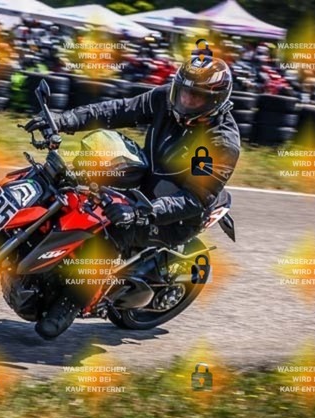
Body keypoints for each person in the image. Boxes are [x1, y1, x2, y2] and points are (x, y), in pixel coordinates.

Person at [24, 48, 240, 340]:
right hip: (145, 181)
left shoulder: (221, 143)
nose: (185, 100)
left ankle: (71, 301)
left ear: (215, 101)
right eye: (183, 91)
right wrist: (64, 120)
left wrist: (142, 211)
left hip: (175, 214)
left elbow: (194, 199)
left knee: (112, 230)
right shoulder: (166, 100)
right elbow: (117, 110)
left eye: (196, 97)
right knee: (72, 184)